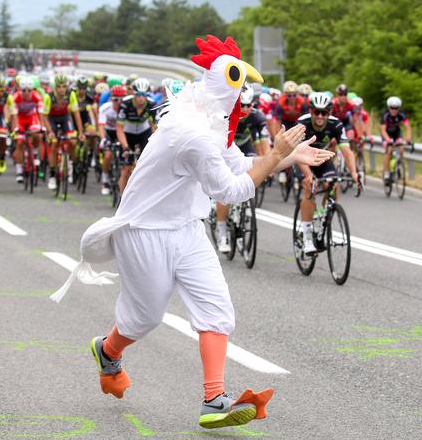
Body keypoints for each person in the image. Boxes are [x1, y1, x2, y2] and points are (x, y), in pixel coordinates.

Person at [51, 35, 334, 430]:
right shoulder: (193, 133)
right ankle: (108, 349)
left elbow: (239, 165)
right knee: (145, 317)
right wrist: (275, 155)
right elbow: (231, 190)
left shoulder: (210, 122)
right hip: (143, 231)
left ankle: (213, 400)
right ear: (229, 90)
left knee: (217, 310)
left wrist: (286, 156)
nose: (241, 102)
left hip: (186, 228)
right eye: (239, 90)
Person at [296, 92, 359, 255]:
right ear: (310, 111)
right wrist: (309, 175)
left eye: (324, 112)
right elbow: (296, 153)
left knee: (333, 184)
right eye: (316, 111)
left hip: (322, 159)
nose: (320, 116)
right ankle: (308, 236)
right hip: (302, 159)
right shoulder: (302, 123)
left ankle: (323, 215)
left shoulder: (336, 124)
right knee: (309, 187)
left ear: (329, 113)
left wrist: (354, 173)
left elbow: (346, 150)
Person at [214, 85, 270, 253]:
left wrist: (269, 163)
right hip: (227, 147)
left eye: (248, 105)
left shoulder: (258, 117)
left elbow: (263, 142)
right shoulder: (227, 113)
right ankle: (222, 232)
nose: (245, 109)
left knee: (254, 168)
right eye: (242, 105)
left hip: (244, 146)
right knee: (225, 188)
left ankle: (239, 211)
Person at [115, 77, 157, 193]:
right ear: (133, 94)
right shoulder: (125, 103)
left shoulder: (151, 104)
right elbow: (119, 128)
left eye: (144, 95)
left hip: (144, 133)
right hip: (127, 134)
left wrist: (153, 144)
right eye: (138, 95)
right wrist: (125, 146)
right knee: (126, 168)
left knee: (143, 166)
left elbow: (154, 127)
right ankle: (122, 199)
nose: (141, 99)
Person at [98, 85, 126, 195]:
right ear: (111, 99)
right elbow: (101, 125)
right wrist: (103, 139)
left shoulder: (126, 108)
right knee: (108, 155)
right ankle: (105, 181)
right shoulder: (105, 108)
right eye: (115, 99)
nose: (118, 102)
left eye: (121, 99)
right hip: (108, 132)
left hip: (122, 132)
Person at [380, 96, 411, 183]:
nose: (394, 110)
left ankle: (398, 166)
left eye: (396, 108)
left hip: (396, 133)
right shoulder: (385, 114)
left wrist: (408, 138)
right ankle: (386, 173)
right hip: (386, 134)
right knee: (389, 150)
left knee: (401, 148)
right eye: (392, 108)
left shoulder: (401, 114)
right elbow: (382, 130)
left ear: (399, 108)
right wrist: (388, 140)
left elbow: (407, 127)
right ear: (389, 108)